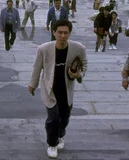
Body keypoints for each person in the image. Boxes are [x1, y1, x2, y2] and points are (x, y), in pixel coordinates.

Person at [28, 19, 88, 159]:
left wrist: (78, 74)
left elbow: (84, 66)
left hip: (66, 89)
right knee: (53, 118)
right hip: (50, 89)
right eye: (59, 32)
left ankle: (61, 135)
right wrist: (33, 84)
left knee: (65, 117)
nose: (62, 36)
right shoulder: (44, 49)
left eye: (65, 33)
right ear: (53, 32)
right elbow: (37, 68)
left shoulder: (79, 48)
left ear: (69, 33)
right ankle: (52, 143)